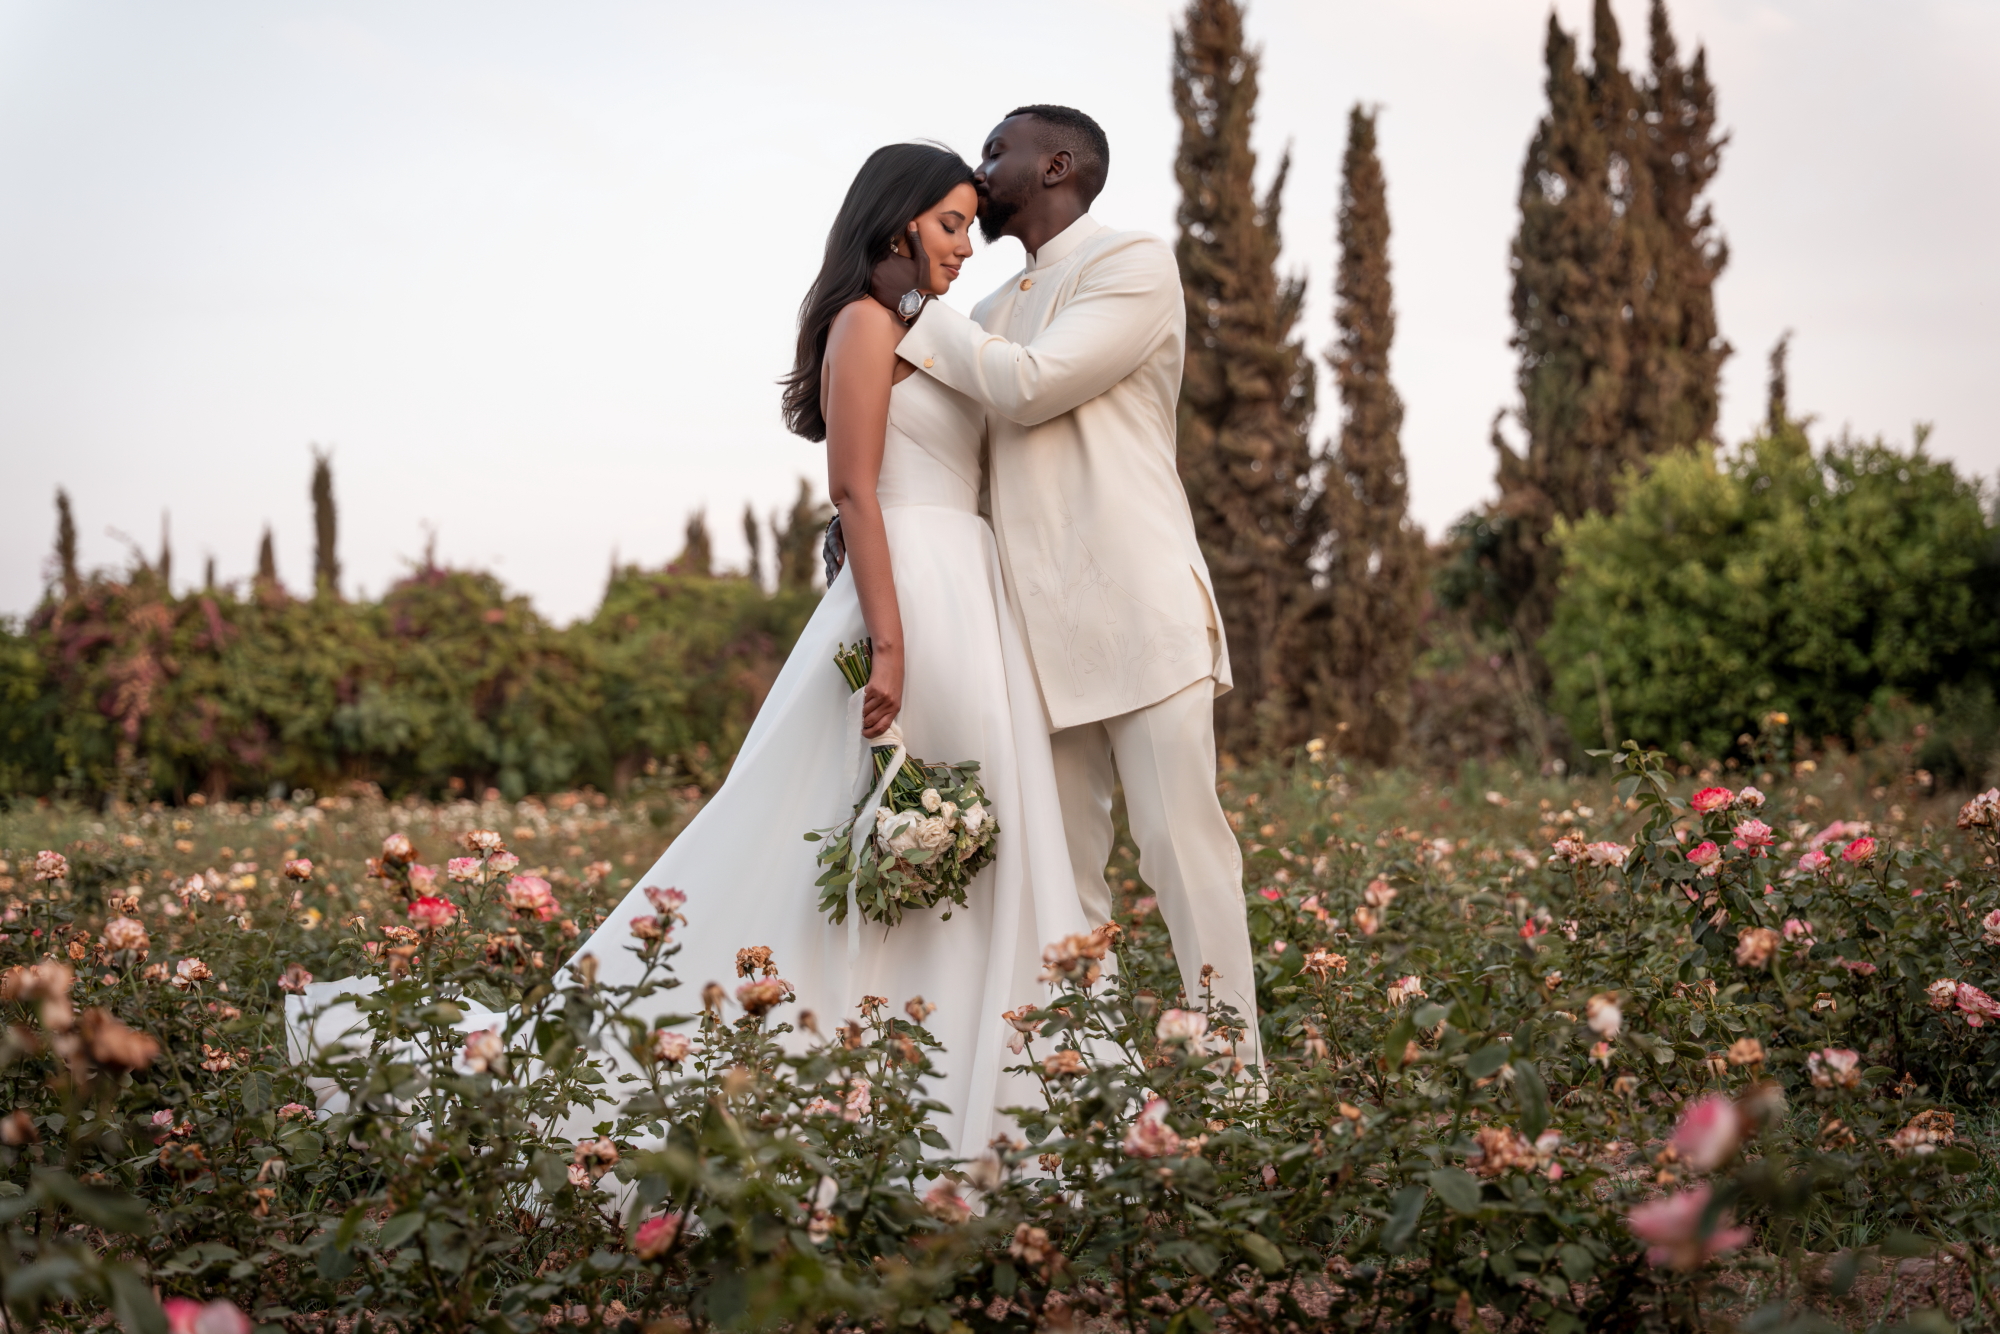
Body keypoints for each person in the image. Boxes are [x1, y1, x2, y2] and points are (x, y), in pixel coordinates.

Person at [548, 141, 1094, 1157]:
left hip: (969, 591)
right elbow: (853, 488)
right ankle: (836, 1077)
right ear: (895, 222)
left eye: (970, 226)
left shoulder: (933, 329)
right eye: (948, 224)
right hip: (909, 594)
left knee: (973, 833)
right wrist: (888, 644)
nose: (964, 245)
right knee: (869, 822)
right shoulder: (862, 323)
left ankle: (969, 1086)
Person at [868, 106, 1261, 1066]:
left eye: (994, 151)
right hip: (1032, 639)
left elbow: (1035, 385)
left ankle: (1236, 1083)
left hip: (1140, 609)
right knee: (1063, 877)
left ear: (1055, 165)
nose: (979, 169)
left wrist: (911, 305)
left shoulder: (1133, 264)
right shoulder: (985, 316)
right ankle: (1091, 1089)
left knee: (1180, 850)